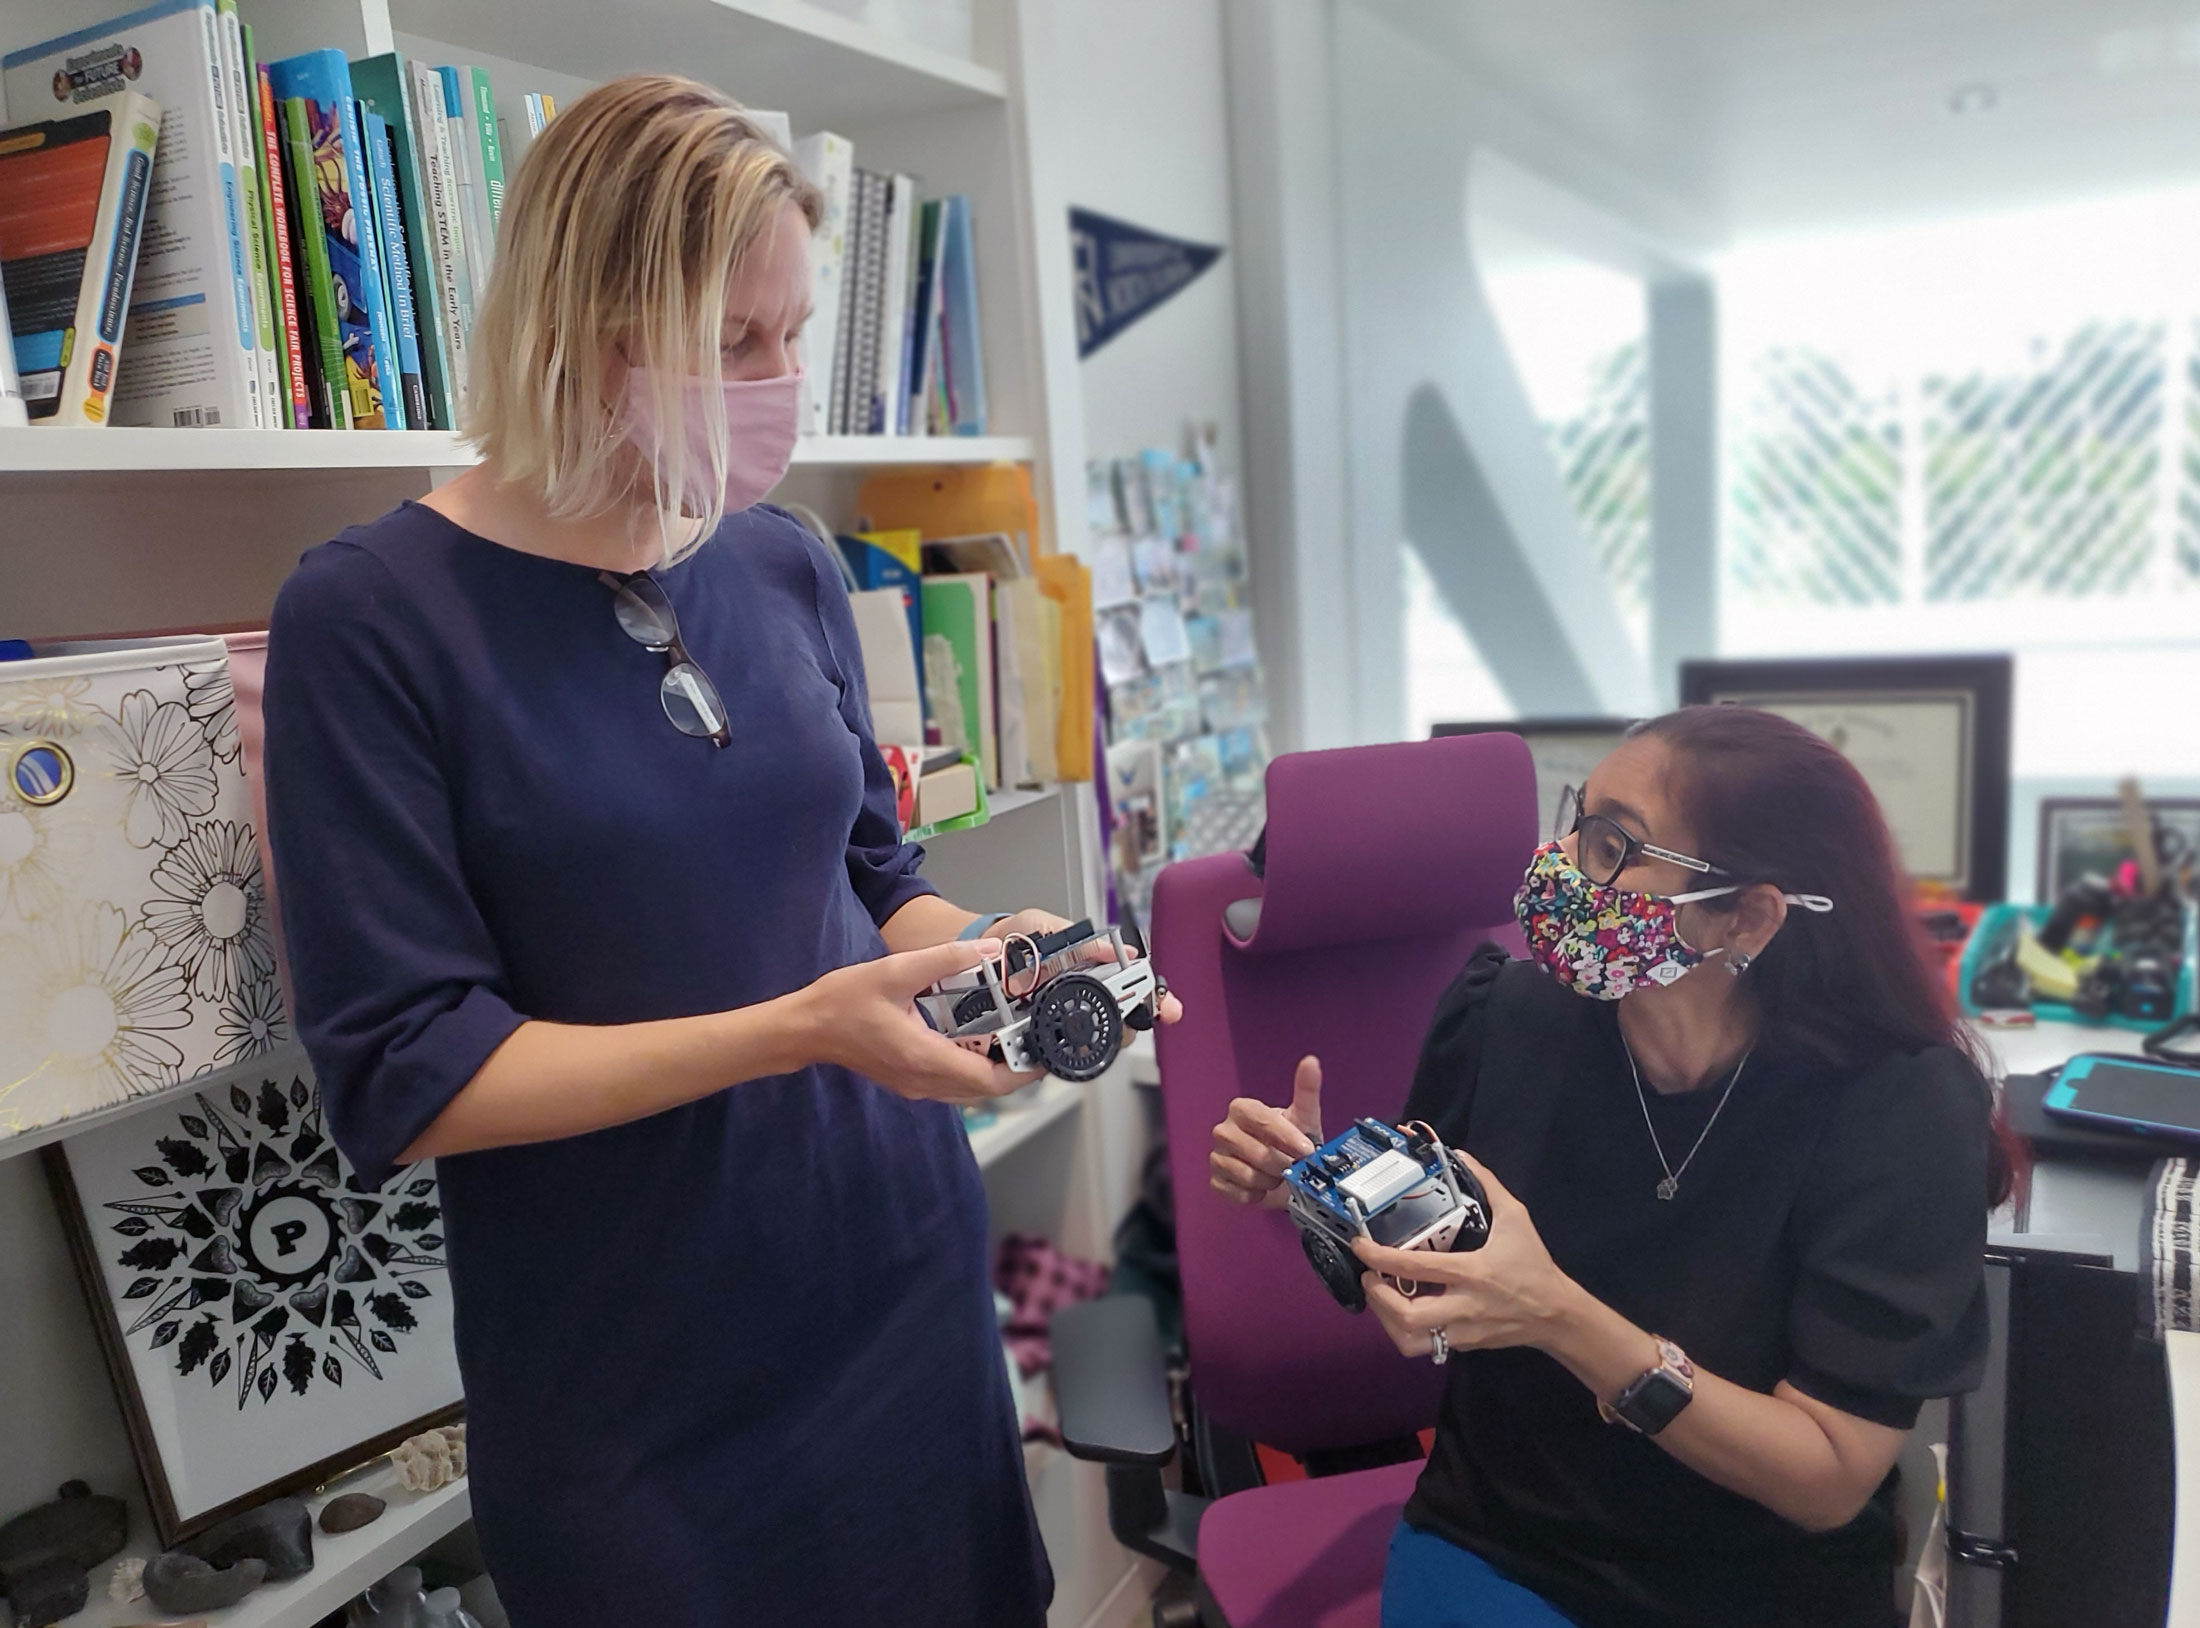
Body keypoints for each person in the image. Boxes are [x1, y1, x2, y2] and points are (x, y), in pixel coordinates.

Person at [263, 75, 1172, 1627]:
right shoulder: (369, 618)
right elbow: (411, 1070)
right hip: (633, 1364)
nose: (779, 380)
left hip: (895, 1270)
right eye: (731, 343)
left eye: (794, 332)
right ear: (583, 321)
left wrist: (983, 956)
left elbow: (877, 870)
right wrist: (801, 1030)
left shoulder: (783, 559)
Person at [1209, 706, 2018, 1628]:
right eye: (1577, 820)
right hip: (1504, 1542)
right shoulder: (1506, 1016)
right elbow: (1432, 1264)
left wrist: (1561, 1320)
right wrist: (1317, 1192)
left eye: (1611, 844)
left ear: (1745, 917)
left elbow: (1828, 1479)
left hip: (1757, 1585)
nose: (1559, 867)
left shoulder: (1896, 1107)